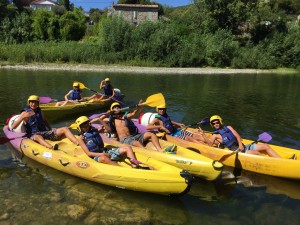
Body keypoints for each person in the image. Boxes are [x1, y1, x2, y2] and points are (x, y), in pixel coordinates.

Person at [11, 95, 89, 152]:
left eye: (35, 102)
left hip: (45, 132)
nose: (33, 104)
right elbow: (14, 127)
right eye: (31, 102)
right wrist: (21, 117)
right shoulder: (25, 113)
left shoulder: (40, 111)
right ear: (29, 103)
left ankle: (77, 142)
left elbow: (44, 121)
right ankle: (51, 148)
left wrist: (51, 129)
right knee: (38, 136)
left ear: (38, 103)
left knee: (64, 129)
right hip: (33, 134)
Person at [97, 102, 176, 153]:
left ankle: (160, 150)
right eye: (115, 108)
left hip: (134, 135)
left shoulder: (125, 116)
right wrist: (108, 113)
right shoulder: (112, 120)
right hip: (124, 139)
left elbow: (134, 113)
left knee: (151, 134)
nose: (117, 108)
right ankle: (148, 153)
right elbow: (101, 119)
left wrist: (139, 107)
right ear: (112, 110)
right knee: (137, 143)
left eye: (118, 107)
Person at [199, 115, 283, 158]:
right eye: (214, 123)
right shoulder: (215, 135)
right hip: (237, 152)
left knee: (266, 146)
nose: (216, 124)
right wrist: (203, 134)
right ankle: (274, 162)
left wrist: (240, 145)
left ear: (220, 122)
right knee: (257, 154)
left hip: (243, 147)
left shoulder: (228, 127)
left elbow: (237, 136)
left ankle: (281, 161)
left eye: (217, 122)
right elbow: (210, 144)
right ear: (212, 125)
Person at [74, 116, 139, 167]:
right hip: (97, 156)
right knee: (103, 158)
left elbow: (108, 130)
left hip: (106, 151)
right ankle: (122, 170)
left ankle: (135, 166)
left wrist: (100, 120)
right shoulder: (81, 138)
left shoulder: (94, 130)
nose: (86, 127)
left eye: (87, 124)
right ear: (79, 128)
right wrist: (103, 154)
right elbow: (89, 153)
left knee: (128, 148)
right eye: (83, 126)